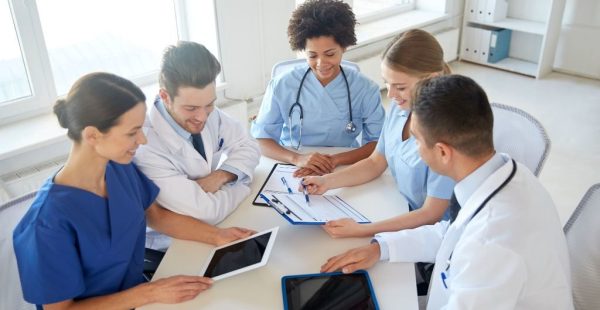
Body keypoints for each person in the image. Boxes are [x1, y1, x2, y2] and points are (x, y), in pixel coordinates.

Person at [321, 75, 573, 309]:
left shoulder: (491, 245)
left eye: (416, 139)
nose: (414, 147)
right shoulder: (505, 171)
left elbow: (473, 242)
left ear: (442, 152)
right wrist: (381, 248)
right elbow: (453, 232)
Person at [13, 72, 255, 309]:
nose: (143, 140)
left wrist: (217, 236)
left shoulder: (119, 169)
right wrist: (148, 293)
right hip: (135, 298)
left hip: (139, 295)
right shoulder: (44, 224)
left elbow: (157, 216)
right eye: (132, 132)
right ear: (92, 135)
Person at [303, 29, 455, 238]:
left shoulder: (447, 133)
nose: (391, 95)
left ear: (432, 78)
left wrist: (365, 230)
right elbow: (376, 162)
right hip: (396, 206)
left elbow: (431, 214)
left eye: (400, 87)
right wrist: (328, 181)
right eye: (387, 83)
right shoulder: (401, 107)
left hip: (429, 233)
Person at [134, 41, 261, 249]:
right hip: (173, 246)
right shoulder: (147, 146)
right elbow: (205, 213)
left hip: (223, 222)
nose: (202, 117)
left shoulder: (205, 112)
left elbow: (248, 144)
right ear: (165, 97)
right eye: (191, 108)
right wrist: (243, 183)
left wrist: (222, 176)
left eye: (209, 104)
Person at [251, 0, 385, 177]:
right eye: (312, 55)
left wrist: (334, 161)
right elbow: (261, 139)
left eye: (330, 54)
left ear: (344, 47)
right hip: (292, 163)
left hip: (344, 164)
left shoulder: (365, 89)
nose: (321, 64)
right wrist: (297, 158)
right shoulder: (282, 85)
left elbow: (378, 143)